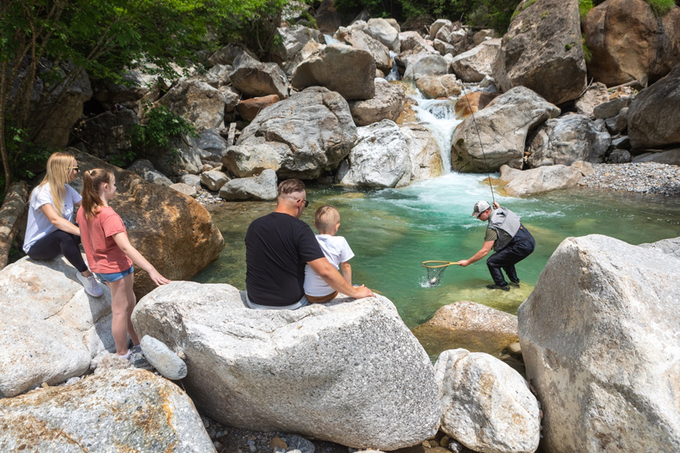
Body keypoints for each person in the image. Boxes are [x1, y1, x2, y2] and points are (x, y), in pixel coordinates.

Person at [77, 168, 170, 359]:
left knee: (130, 303)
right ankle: (122, 353)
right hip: (117, 268)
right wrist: (151, 269)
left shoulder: (83, 210)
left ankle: (137, 343)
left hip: (99, 268)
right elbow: (126, 248)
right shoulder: (108, 215)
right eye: (114, 184)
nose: (116, 188)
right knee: (120, 311)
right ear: (105, 187)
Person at [245, 179, 374, 309]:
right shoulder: (299, 229)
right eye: (305, 204)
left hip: (254, 300)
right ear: (300, 203)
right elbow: (324, 271)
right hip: (289, 303)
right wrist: (355, 292)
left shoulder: (254, 225)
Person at [23, 152, 103, 297]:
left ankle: (98, 265)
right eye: (75, 168)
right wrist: (85, 233)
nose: (77, 171)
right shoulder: (41, 192)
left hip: (60, 239)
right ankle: (86, 275)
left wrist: (103, 218)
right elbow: (56, 221)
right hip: (37, 246)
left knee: (87, 227)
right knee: (65, 235)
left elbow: (86, 207)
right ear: (62, 170)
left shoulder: (67, 189)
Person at [458, 200, 535, 291]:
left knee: (492, 262)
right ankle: (515, 282)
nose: (477, 218)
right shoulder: (502, 210)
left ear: (486, 211)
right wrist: (498, 207)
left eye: (478, 215)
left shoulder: (492, 228)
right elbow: (502, 216)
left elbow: (484, 251)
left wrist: (467, 262)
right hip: (530, 241)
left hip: (521, 246)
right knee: (503, 259)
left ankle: (502, 286)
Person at [304, 205, 354, 303]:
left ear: (315, 225)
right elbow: (346, 266)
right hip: (329, 294)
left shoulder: (310, 240)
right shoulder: (340, 241)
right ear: (337, 226)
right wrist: (349, 288)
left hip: (310, 295)